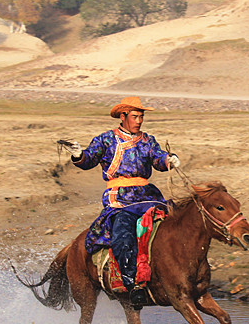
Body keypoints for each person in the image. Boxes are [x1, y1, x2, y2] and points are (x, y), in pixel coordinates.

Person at [67, 96, 180, 308]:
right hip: (119, 197)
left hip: (147, 195)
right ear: (123, 116)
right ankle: (132, 284)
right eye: (135, 117)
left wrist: (168, 159)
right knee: (123, 232)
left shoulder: (148, 140)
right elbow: (89, 160)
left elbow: (157, 158)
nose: (139, 121)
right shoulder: (106, 140)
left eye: (141, 117)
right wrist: (78, 155)